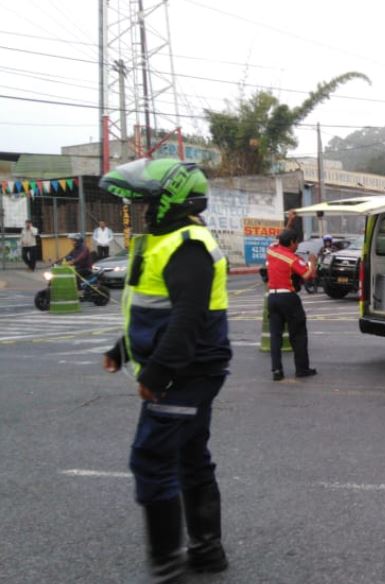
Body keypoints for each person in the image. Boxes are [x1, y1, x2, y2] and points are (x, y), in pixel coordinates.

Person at [99, 158, 232, 582]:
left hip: (185, 373)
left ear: (171, 201)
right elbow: (154, 309)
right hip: (189, 369)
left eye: (148, 202)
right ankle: (207, 551)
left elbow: (187, 319)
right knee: (190, 457)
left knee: (151, 458)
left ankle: (167, 566)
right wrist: (122, 350)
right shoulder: (165, 241)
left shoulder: (187, 246)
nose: (144, 210)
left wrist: (157, 373)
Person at [266, 229, 318, 381]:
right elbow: (307, 275)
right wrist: (313, 262)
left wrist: (289, 222)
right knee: (298, 334)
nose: (297, 246)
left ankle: (277, 370)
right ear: (291, 242)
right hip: (288, 298)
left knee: (275, 336)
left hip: (272, 297)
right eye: (296, 243)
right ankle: (302, 369)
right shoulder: (292, 258)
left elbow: (278, 239)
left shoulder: (271, 250)